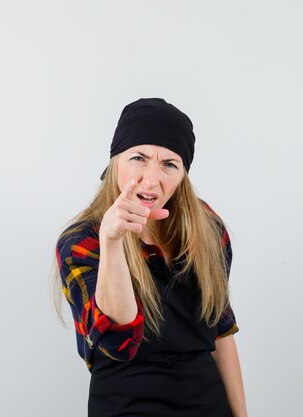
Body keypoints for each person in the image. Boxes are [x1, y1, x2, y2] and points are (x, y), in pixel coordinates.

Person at [54, 98, 248, 417]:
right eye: (138, 158)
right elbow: (119, 341)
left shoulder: (208, 229)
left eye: (169, 164)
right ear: (116, 161)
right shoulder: (82, 243)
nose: (150, 179)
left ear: (183, 174)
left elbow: (220, 332)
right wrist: (113, 241)